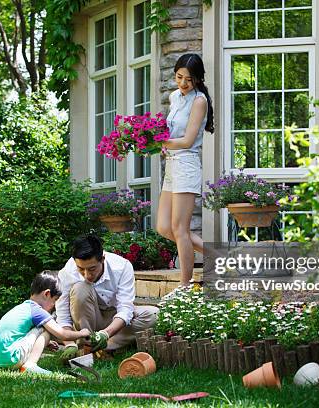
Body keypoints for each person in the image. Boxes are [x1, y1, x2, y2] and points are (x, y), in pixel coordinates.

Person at [156, 53, 214, 286]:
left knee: (180, 229)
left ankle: (185, 286)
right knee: (163, 227)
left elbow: (188, 140)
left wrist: (157, 141)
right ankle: (222, 257)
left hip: (187, 164)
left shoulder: (199, 101)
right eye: (179, 77)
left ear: (198, 79)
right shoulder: (174, 97)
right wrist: (163, 143)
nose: (182, 83)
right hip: (172, 164)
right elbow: (172, 134)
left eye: (188, 80)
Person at [55, 235, 159, 361]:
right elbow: (63, 315)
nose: (87, 275)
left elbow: (125, 309)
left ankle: (101, 347)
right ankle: (86, 344)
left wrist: (105, 334)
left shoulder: (122, 267)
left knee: (154, 315)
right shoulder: (67, 272)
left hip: (113, 319)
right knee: (80, 289)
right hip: (85, 322)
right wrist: (69, 344)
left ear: (102, 258)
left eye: (92, 269)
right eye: (81, 269)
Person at [0, 272, 90, 374]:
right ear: (47, 294)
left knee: (43, 327)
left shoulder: (23, 308)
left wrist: (45, 343)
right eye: (55, 300)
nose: (54, 305)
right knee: (46, 328)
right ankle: (30, 365)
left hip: (1, 361)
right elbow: (62, 334)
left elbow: (20, 335)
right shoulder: (37, 311)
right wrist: (82, 333)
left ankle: (23, 363)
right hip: (13, 357)